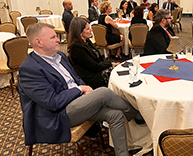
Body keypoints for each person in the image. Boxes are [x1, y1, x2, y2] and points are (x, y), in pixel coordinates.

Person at [18, 22, 140, 156]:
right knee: (103, 92)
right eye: (53, 37)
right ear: (38, 42)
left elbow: (76, 78)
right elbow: (52, 102)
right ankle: (137, 113)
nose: (58, 39)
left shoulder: (60, 56)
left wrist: (85, 93)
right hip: (57, 114)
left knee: (115, 115)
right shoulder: (30, 69)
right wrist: (80, 90)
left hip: (77, 103)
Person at [68, 17, 117, 89]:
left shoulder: (86, 41)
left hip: (96, 70)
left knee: (118, 69)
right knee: (115, 73)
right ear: (79, 32)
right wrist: (110, 64)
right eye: (88, 29)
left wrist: (110, 64)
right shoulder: (76, 48)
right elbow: (94, 66)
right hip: (90, 77)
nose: (91, 30)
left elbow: (99, 60)